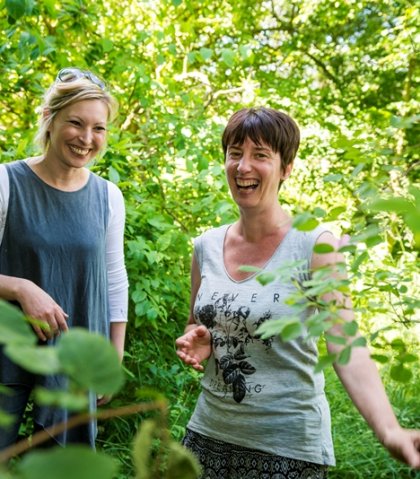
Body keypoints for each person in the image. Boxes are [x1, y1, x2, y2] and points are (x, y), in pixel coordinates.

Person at [176, 107, 420, 478]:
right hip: (207, 436)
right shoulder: (205, 246)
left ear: (286, 168)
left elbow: (345, 343)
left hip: (287, 449)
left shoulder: (314, 247)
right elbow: (197, 325)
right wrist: (200, 340)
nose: (243, 167)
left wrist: (388, 430)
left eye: (260, 155)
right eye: (235, 153)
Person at [0, 68, 128, 450]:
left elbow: (113, 279)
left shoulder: (108, 197)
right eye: (75, 123)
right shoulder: (7, 183)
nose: (87, 139)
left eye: (99, 128)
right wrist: (21, 288)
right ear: (49, 119)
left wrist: (113, 355)